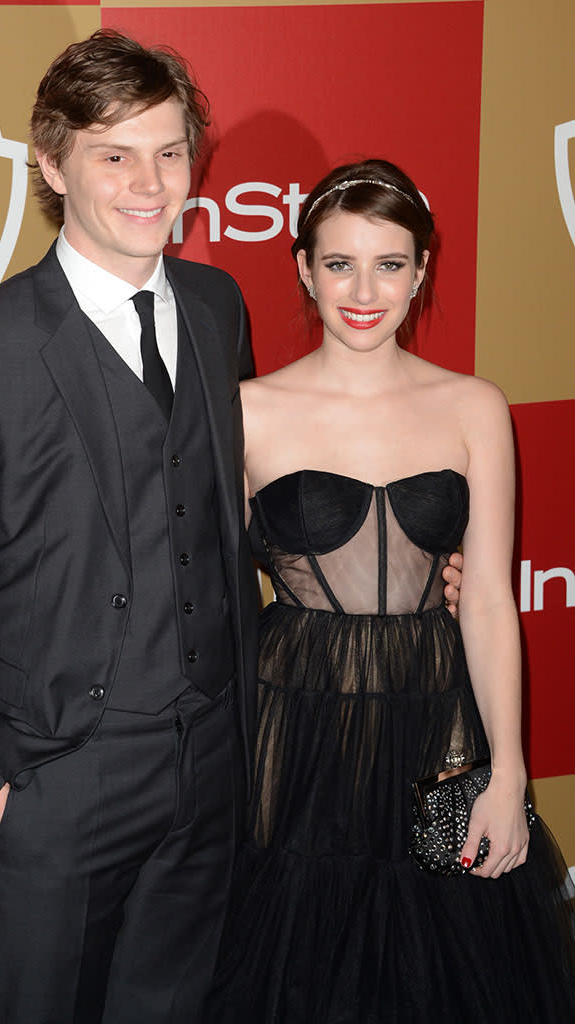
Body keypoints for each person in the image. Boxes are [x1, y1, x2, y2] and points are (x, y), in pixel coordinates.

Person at [0, 30, 463, 1022]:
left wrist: (398, 566)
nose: (149, 182)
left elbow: (221, 515)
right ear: (51, 162)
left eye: (169, 151)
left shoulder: (212, 306)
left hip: (215, 769)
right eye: (114, 154)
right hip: (58, 782)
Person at [208, 159, 575, 1023]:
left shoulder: (475, 406)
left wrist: (508, 773)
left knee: (450, 971)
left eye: (389, 264)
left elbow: (486, 600)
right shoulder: (245, 411)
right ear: (303, 268)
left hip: (440, 722)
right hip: (291, 725)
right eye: (339, 264)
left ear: (422, 271)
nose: (363, 290)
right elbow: (200, 589)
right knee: (291, 972)